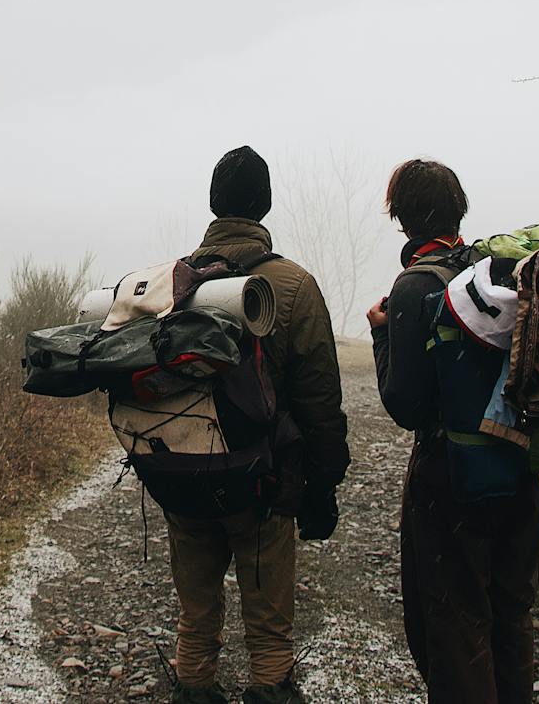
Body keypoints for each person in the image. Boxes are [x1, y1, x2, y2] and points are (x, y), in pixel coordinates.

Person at [166, 146, 350, 704]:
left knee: (196, 620)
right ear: (265, 207)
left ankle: (193, 689)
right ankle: (270, 690)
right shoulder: (293, 286)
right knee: (269, 628)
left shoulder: (173, 285)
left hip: (184, 477)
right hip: (262, 484)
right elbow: (320, 400)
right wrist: (323, 484)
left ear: (214, 204)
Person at [366, 159, 539, 704]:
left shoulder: (415, 285)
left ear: (403, 219)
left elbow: (406, 405)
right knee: (510, 619)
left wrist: (381, 335)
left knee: (453, 629)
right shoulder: (494, 271)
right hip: (519, 468)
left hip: (450, 481)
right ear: (457, 210)